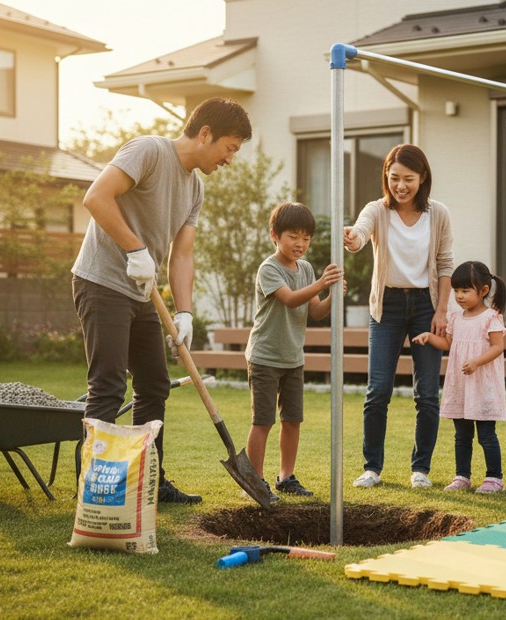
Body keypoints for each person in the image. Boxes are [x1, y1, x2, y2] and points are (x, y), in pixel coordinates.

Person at [71, 97, 252, 504]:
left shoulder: (195, 187)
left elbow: (181, 254)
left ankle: (149, 478)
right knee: (109, 384)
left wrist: (184, 312)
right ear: (205, 133)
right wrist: (135, 249)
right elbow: (96, 196)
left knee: (153, 384)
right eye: (230, 147)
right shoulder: (148, 151)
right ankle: (93, 486)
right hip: (102, 281)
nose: (230, 158)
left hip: (141, 291)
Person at [344, 144, 454, 489]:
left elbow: (446, 263)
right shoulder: (377, 210)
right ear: (386, 178)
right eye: (394, 178)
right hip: (386, 307)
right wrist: (353, 238)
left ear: (422, 178)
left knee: (427, 394)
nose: (400, 186)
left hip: (426, 305)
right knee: (378, 390)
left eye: (408, 179)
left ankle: (420, 469)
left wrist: (441, 311)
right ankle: (372, 468)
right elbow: (361, 232)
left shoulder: (438, 214)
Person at [245, 202, 345, 501]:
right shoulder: (269, 269)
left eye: (306, 238)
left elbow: (314, 312)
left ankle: (286, 477)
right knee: (263, 421)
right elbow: (289, 299)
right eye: (293, 236)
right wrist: (320, 284)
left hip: (292, 358)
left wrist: (332, 294)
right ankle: (255, 480)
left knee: (292, 420)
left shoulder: (305, 269)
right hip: (265, 357)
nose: (300, 244)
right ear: (274, 235)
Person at [412, 261, 506, 494]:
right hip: (461, 386)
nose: (459, 296)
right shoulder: (455, 318)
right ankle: (462, 476)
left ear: (483, 291)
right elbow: (447, 344)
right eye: (456, 291)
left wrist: (476, 362)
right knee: (461, 435)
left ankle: (494, 478)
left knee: (486, 435)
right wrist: (429, 336)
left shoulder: (491, 318)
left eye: (465, 291)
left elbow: (498, 347)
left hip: (483, 386)